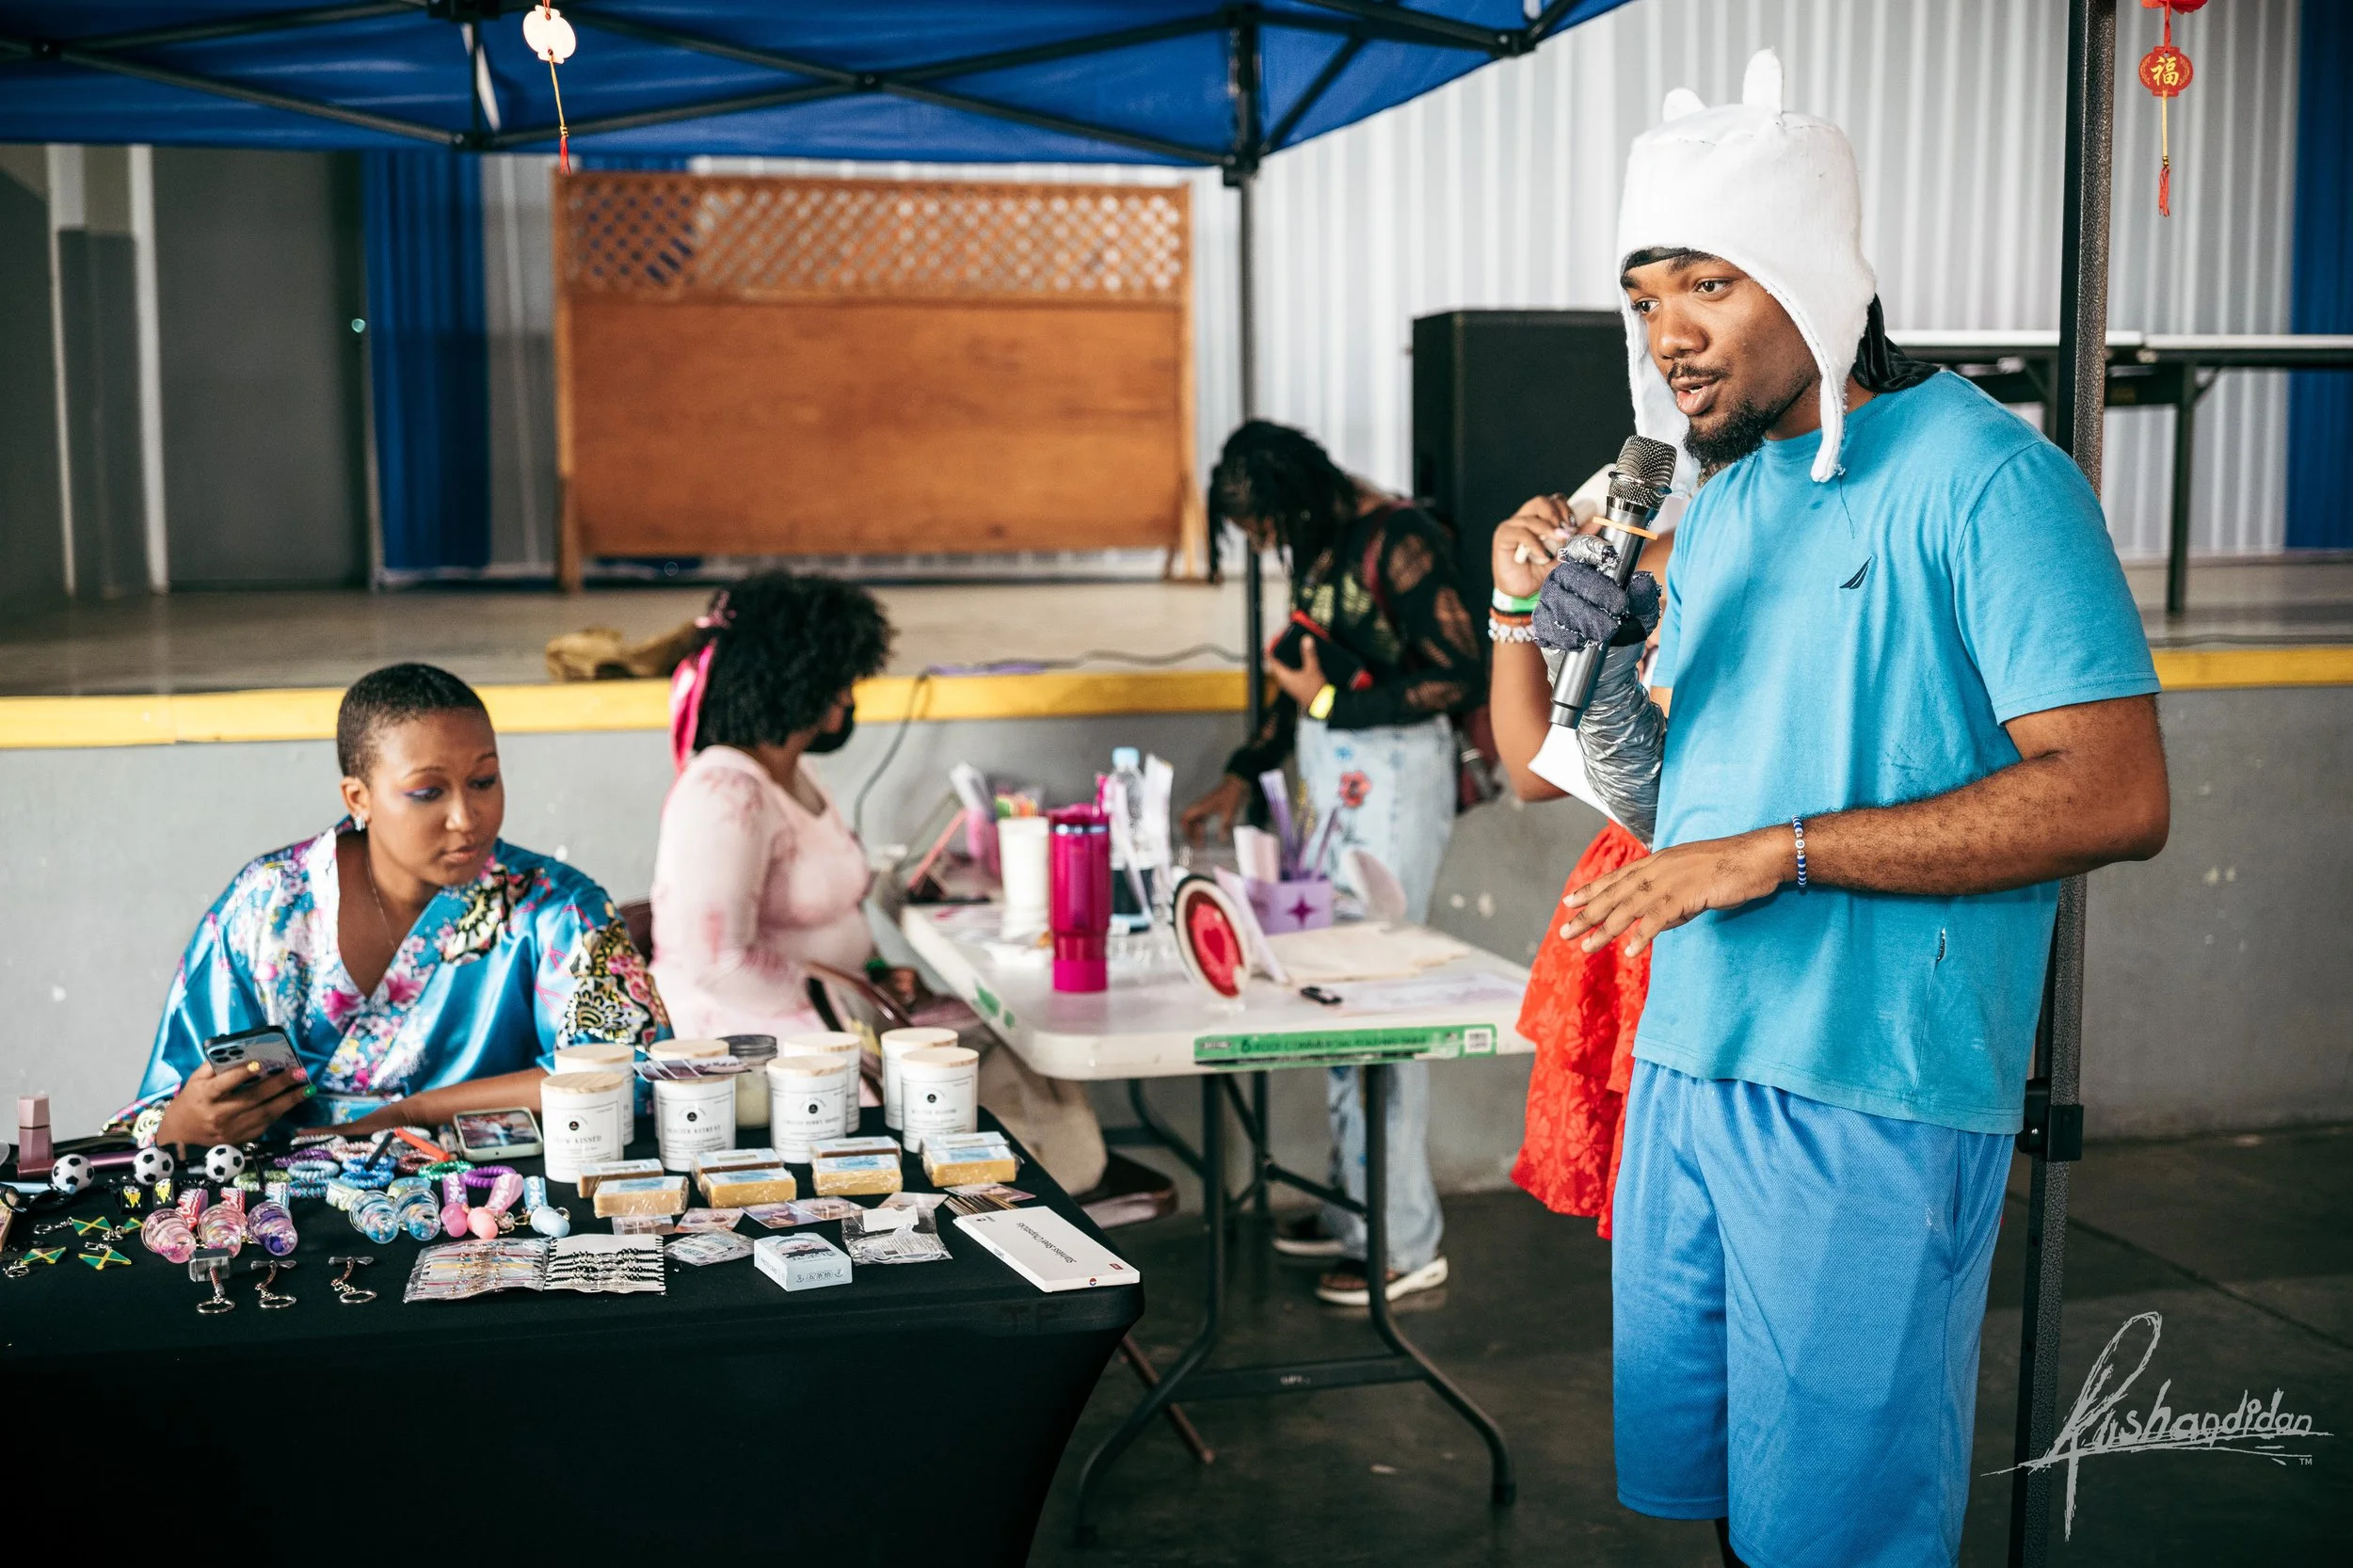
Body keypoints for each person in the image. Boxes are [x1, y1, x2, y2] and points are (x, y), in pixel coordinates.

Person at [1542, 55, 2169, 1568]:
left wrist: (1790, 851)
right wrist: (1599, 663)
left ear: (1814, 278)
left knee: (1835, 1538)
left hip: (1869, 1089)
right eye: (1643, 296)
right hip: (1692, 1063)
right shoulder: (1735, 495)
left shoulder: (1988, 480)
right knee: (1725, 1514)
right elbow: (1672, 805)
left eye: (1707, 282)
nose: (1668, 333)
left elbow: (2117, 794)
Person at [649, 570, 1109, 1192]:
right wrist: (847, 1009)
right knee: (973, 1079)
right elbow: (718, 962)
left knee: (1014, 1047)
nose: (849, 700)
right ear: (805, 682)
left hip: (835, 1014)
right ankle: (1017, 1209)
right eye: (845, 682)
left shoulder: (798, 781)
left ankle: (1044, 1203)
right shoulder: (724, 791)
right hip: (760, 1042)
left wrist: (870, 979)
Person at [114, 663, 669, 1148]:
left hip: (485, 1206)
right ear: (359, 798)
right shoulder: (268, 906)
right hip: (279, 1215)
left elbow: (633, 1070)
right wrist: (186, 1122)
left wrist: (409, 1113)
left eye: (484, 781)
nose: (466, 817)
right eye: (428, 792)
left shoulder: (556, 908)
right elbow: (169, 1101)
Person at [1179, 420, 1482, 1306]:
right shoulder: (1319, 548)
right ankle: (1359, 1209)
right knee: (1335, 996)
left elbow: (1460, 674)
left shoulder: (1400, 540)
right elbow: (1297, 684)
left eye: (1272, 526)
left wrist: (1324, 701)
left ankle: (1402, 1240)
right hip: (1331, 777)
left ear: (1304, 496)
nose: (1270, 543)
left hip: (1393, 778)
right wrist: (1243, 774)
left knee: (1380, 1001)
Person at [1485, 471, 1682, 1231]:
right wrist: (1514, 600)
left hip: (1708, 888)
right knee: (1654, 1239)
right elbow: (1534, 771)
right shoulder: (1647, 557)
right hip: (1630, 897)